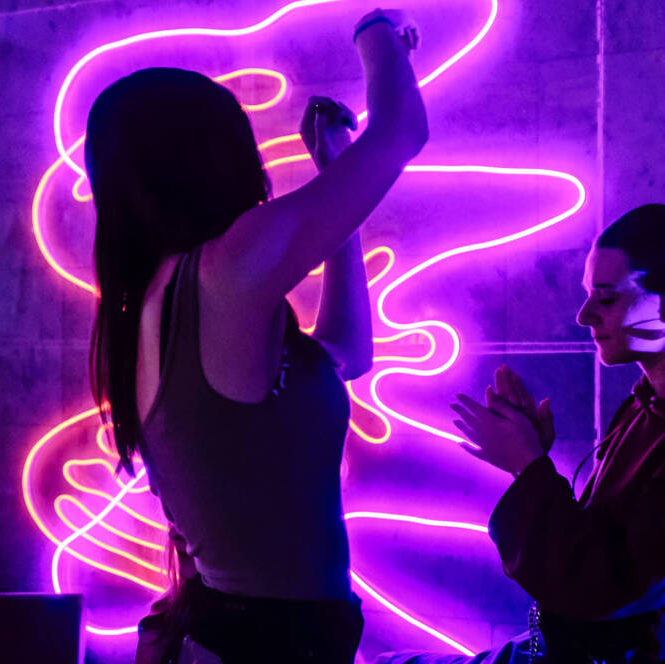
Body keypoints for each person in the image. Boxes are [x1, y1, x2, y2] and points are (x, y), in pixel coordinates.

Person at [83, 7, 427, 663]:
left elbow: (347, 354)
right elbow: (401, 131)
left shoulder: (169, 293)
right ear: (214, 156)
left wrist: (333, 179)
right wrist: (379, 28)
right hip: (263, 641)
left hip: (251, 633)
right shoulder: (223, 269)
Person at [377, 204, 665, 664]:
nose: (584, 316)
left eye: (607, 299)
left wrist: (529, 466)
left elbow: (600, 584)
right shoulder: (642, 406)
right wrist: (532, 458)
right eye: (588, 295)